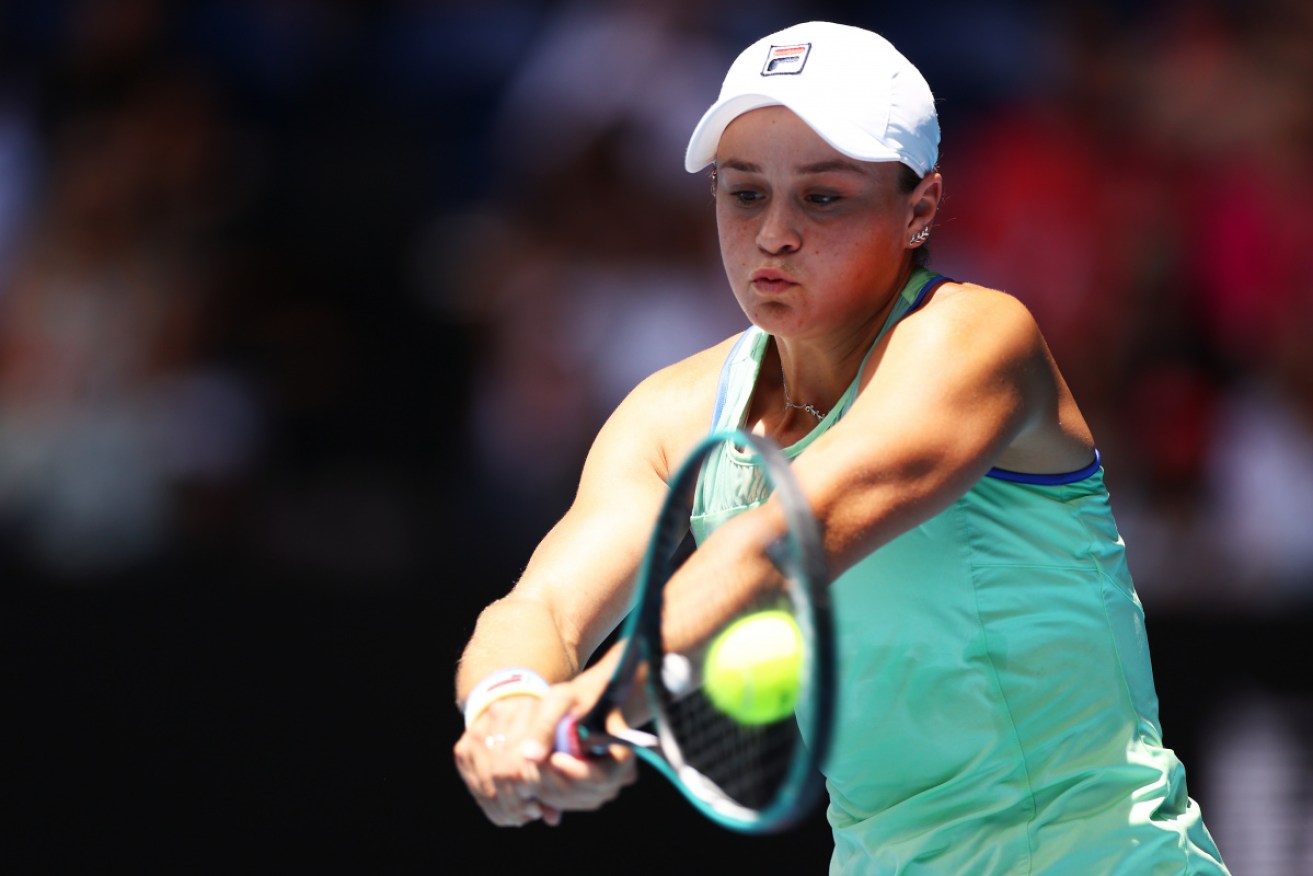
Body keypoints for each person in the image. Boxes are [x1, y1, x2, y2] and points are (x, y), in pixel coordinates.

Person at [453, 21, 1230, 874]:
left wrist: (603, 695)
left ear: (919, 208)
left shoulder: (976, 338)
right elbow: (541, 611)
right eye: (744, 193)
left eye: (822, 197)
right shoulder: (669, 412)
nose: (773, 234)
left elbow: (790, 531)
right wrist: (508, 710)